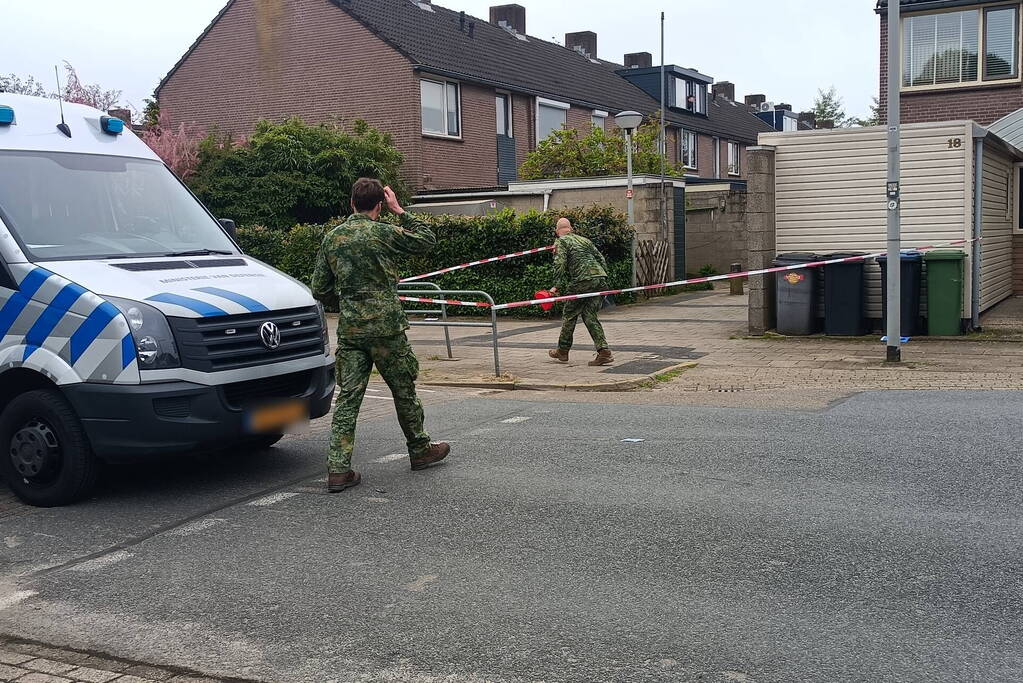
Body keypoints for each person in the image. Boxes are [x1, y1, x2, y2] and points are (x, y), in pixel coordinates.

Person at [311, 178, 450, 493]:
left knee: (348, 398)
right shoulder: (385, 233)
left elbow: (319, 288)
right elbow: (426, 240)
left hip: (352, 331)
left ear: (351, 204)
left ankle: (338, 468)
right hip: (387, 330)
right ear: (379, 205)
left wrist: (347, 303)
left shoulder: (333, 239)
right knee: (403, 391)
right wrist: (400, 210)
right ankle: (419, 449)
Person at [547, 217, 614, 366]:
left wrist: (556, 286)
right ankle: (604, 352)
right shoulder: (585, 240)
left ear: (557, 231)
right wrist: (603, 278)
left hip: (582, 280)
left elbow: (560, 264)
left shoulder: (561, 241)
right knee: (589, 315)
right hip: (600, 278)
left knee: (569, 314)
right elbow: (601, 258)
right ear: (570, 228)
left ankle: (562, 351)